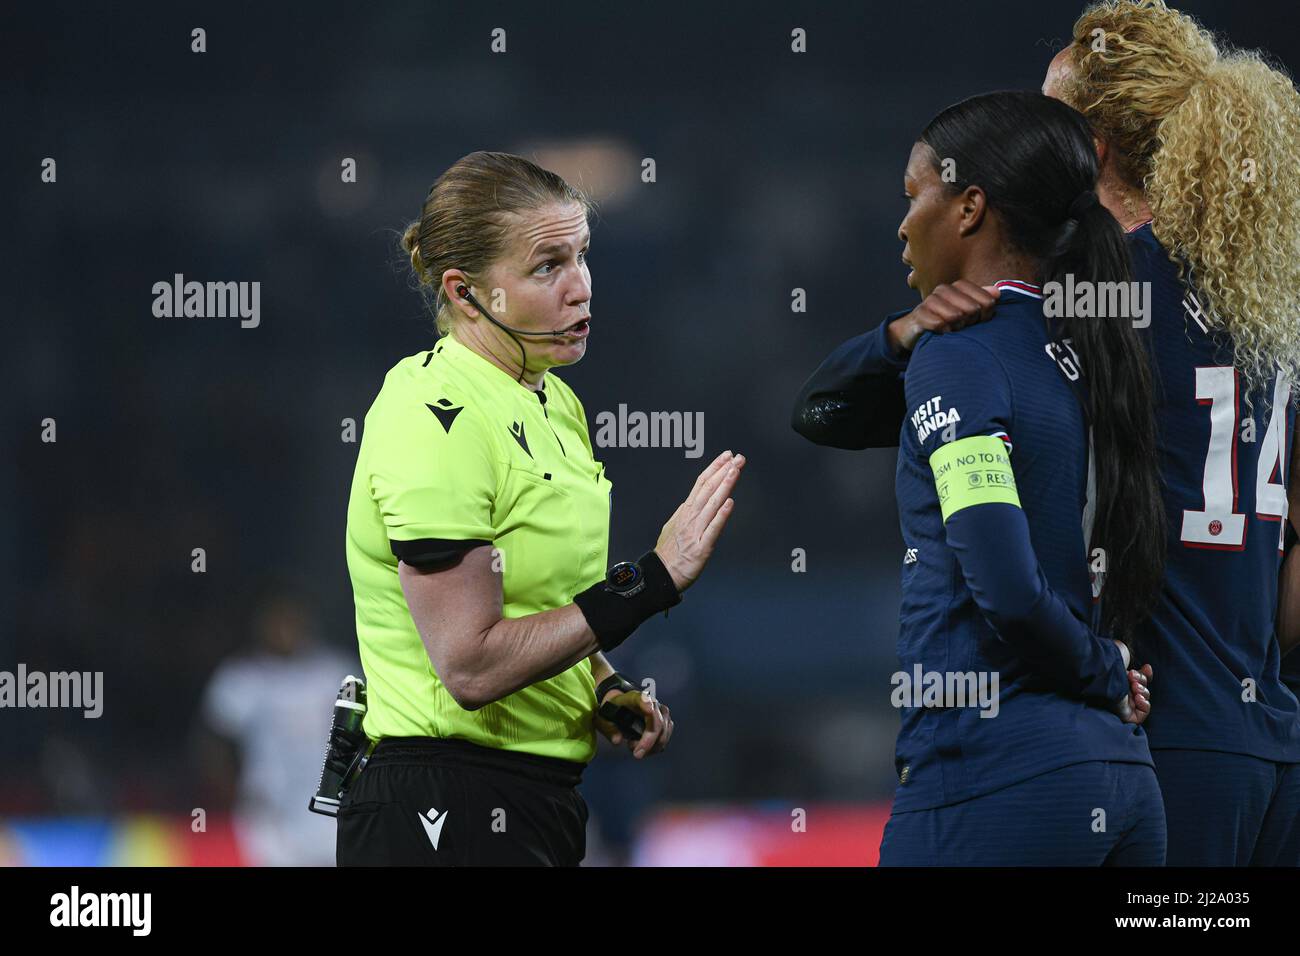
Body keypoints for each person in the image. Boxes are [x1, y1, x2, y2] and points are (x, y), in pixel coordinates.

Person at [795, 0, 1300, 867]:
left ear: (1087, 148)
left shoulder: (1085, 304)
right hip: (1273, 744)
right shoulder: (1269, 307)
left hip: (1157, 729)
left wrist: (907, 337)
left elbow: (830, 412)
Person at [337, 151, 744, 866]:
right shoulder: (436, 413)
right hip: (437, 804)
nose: (581, 287)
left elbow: (543, 606)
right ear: (467, 294)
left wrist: (603, 687)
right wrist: (651, 580)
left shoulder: (556, 401)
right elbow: (470, 666)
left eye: (582, 255)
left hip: (541, 799)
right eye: (547, 266)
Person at [872, 91, 1163, 865]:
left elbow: (1003, 582)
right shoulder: (1098, 354)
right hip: (1122, 777)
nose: (902, 226)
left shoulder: (961, 355)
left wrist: (1104, 670)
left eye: (914, 197)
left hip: (994, 778)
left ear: (969, 207)